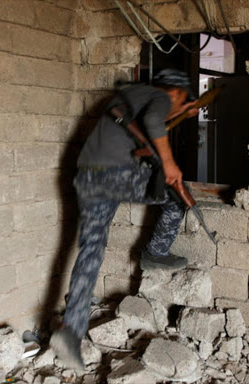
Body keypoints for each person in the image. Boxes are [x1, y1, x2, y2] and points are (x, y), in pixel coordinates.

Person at [50, 69, 199, 369]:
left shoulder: (131, 96)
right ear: (175, 92)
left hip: (87, 178)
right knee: (177, 192)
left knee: (91, 251)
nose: (176, 106)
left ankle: (70, 333)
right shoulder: (158, 96)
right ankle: (155, 252)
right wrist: (170, 165)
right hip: (113, 176)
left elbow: (146, 127)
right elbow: (154, 121)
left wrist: (181, 112)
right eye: (181, 101)